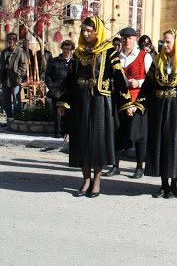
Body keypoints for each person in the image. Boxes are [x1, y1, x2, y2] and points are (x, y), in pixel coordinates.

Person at [56, 17, 135, 198]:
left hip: (100, 101)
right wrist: (63, 102)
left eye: (89, 31)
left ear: (97, 31)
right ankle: (85, 179)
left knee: (97, 141)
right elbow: (69, 79)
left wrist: (126, 103)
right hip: (80, 101)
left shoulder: (108, 52)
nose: (86, 34)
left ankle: (97, 179)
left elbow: (120, 78)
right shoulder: (79, 53)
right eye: (83, 30)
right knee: (82, 140)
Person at [137, 29, 177, 198]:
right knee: (159, 143)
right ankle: (163, 184)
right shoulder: (157, 60)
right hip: (159, 107)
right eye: (163, 42)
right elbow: (148, 84)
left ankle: (173, 184)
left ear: (176, 43)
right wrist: (140, 104)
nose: (164, 45)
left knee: (174, 145)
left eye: (168, 42)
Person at [107, 28, 153, 179]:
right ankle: (115, 165)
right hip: (120, 99)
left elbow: (152, 79)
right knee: (118, 131)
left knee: (139, 134)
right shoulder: (116, 57)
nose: (127, 41)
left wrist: (138, 82)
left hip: (137, 99)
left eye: (130, 38)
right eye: (124, 38)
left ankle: (140, 166)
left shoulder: (144, 57)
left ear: (135, 39)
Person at [45, 40, 75, 138]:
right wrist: (52, 86)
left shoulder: (74, 61)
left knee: (70, 112)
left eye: (68, 49)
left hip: (70, 91)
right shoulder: (55, 61)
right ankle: (58, 132)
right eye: (64, 49)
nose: (66, 51)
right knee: (57, 113)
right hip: (57, 90)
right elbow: (48, 75)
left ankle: (68, 132)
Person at [1, 33, 28, 121]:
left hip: (15, 80)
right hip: (5, 79)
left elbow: (24, 65)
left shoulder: (20, 51)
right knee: (6, 101)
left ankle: (17, 118)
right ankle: (9, 118)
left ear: (16, 41)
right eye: (9, 39)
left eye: (13, 39)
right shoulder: (4, 52)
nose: (11, 41)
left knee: (16, 101)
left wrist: (18, 74)